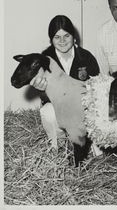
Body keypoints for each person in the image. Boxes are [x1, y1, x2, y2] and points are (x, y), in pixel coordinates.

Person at [30, 15, 100, 155]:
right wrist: (40, 90)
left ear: (74, 37)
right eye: (57, 37)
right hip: (58, 105)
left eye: (66, 36)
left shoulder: (86, 56)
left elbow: (96, 88)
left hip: (82, 106)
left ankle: (88, 140)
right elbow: (44, 95)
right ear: (51, 40)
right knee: (48, 112)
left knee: (98, 152)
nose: (62, 41)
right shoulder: (44, 59)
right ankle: (59, 146)